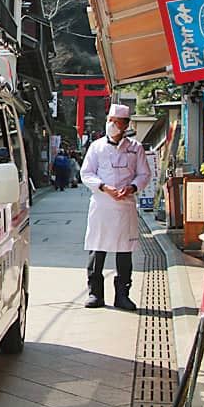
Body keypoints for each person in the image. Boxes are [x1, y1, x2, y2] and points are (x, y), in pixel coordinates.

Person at [80, 103, 149, 311]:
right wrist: (103, 187)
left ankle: (122, 295)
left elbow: (144, 174)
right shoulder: (97, 147)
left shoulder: (135, 149)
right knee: (97, 249)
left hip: (125, 206)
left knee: (124, 252)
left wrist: (132, 187)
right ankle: (95, 293)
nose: (112, 125)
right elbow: (86, 173)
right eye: (110, 121)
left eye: (117, 122)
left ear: (125, 125)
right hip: (102, 204)